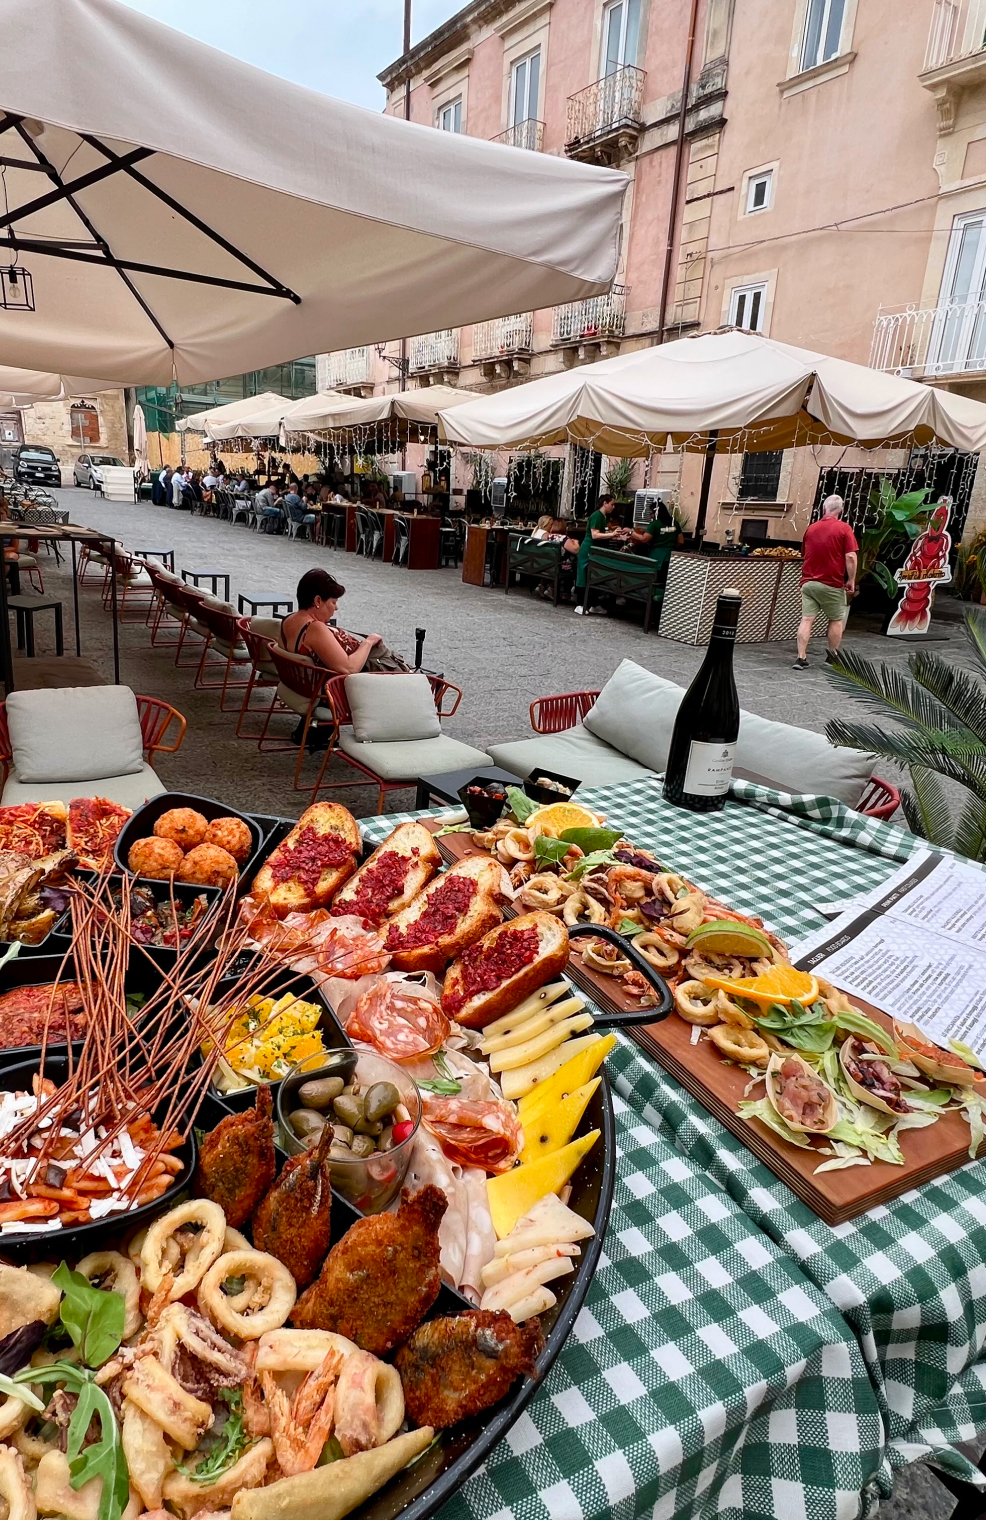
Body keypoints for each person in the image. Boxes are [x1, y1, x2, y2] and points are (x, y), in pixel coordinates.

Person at [794, 494, 858, 669]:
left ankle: (801, 657)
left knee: (806, 619)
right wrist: (851, 579)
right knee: (836, 620)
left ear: (824, 509)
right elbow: (851, 556)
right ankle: (833, 657)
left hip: (808, 583)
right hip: (831, 583)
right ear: (841, 510)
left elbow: (804, 553)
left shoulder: (811, 528)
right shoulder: (844, 529)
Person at [573, 494, 629, 615]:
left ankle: (593, 604)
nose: (613, 507)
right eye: (612, 504)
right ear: (605, 503)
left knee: (594, 577)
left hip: (595, 550)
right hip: (589, 550)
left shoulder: (603, 517)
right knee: (584, 577)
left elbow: (604, 534)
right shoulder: (597, 516)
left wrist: (618, 536)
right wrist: (613, 534)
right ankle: (580, 604)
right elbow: (595, 535)